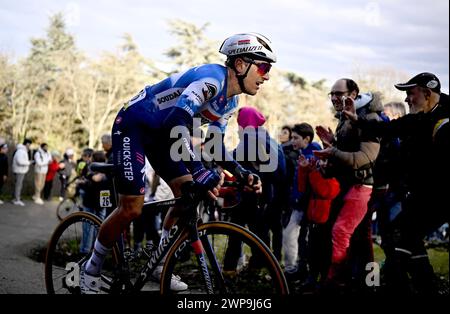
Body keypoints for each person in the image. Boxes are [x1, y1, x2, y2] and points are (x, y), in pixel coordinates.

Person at [79, 33, 276, 294]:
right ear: (240, 65)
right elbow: (176, 122)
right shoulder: (210, 81)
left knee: (187, 197)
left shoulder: (230, 101)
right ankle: (90, 269)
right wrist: (197, 168)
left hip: (165, 134)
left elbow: (214, 145)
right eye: (263, 67)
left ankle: (160, 263)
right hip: (135, 124)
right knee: (132, 208)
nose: (267, 75)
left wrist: (241, 173)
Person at [342, 72, 449, 295]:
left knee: (401, 238)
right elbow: (389, 129)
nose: (407, 99)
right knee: (401, 236)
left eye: (411, 93)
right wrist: (356, 119)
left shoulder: (444, 123)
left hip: (438, 196)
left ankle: (391, 282)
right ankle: (424, 286)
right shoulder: (420, 117)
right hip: (419, 194)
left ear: (427, 93)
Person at [314, 79, 382, 290]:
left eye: (339, 93)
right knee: (355, 238)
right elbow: (346, 153)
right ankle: (360, 283)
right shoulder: (344, 118)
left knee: (356, 237)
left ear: (353, 93)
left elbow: (364, 158)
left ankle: (357, 283)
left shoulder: (368, 118)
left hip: (364, 188)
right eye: (331, 94)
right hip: (348, 186)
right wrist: (331, 144)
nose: (334, 98)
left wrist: (332, 151)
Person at [12, 138, 32, 206]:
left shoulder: (23, 150)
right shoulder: (21, 151)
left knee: (18, 185)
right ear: (27, 144)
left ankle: (16, 198)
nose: (30, 146)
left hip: (21, 170)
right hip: (19, 171)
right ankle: (17, 199)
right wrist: (28, 162)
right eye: (29, 144)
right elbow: (20, 161)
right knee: (18, 185)